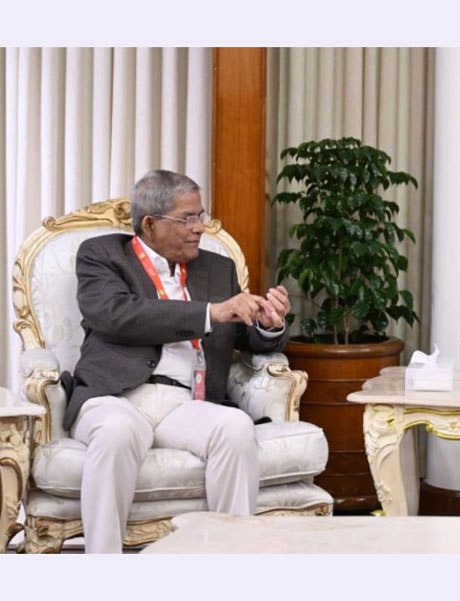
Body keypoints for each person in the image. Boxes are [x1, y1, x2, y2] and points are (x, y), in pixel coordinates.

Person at [66, 170, 291, 553]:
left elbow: (243, 336)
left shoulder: (217, 268)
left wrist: (269, 325)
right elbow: (117, 315)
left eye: (200, 216)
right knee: (117, 432)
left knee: (235, 427)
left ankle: (230, 564)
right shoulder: (102, 255)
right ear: (150, 225)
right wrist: (210, 313)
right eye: (187, 219)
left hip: (187, 403)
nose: (199, 228)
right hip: (116, 396)